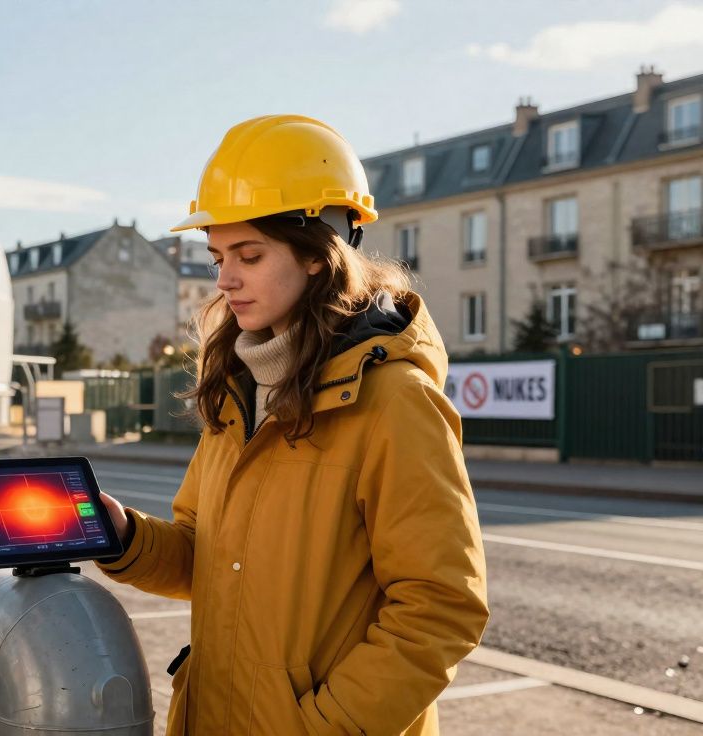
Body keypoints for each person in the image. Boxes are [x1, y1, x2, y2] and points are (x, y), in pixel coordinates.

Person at [96, 115, 489, 735]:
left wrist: (321, 727)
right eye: (218, 256)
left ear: (318, 255)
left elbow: (440, 608)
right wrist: (123, 537)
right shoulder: (238, 390)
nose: (225, 279)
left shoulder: (396, 401)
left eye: (249, 255)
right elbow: (205, 557)